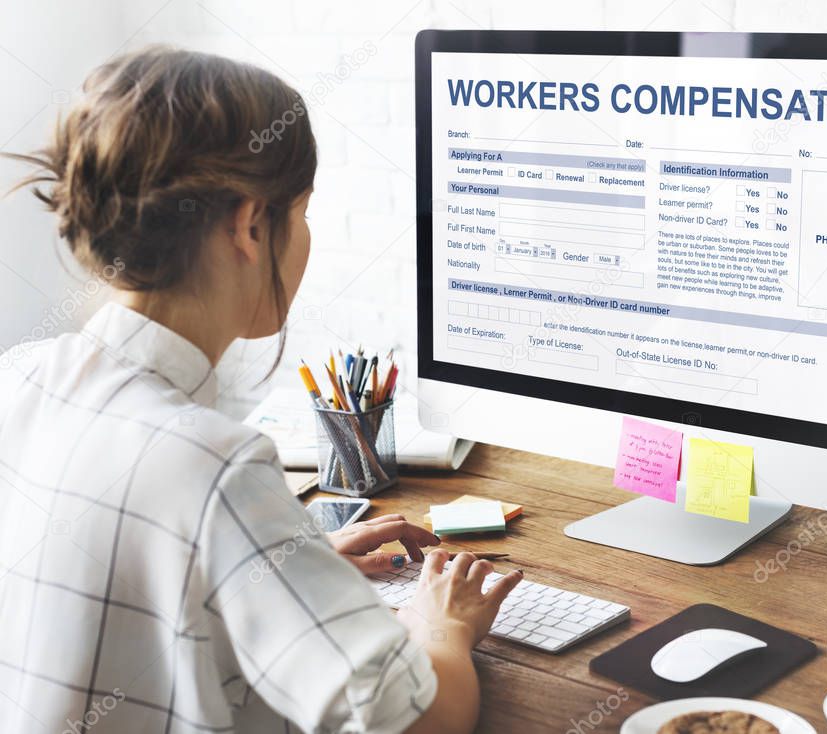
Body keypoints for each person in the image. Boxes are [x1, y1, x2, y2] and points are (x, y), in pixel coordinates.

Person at [0, 46, 520, 734]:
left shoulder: (18, 375)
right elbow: (418, 721)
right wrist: (439, 625)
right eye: (300, 213)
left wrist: (277, 568)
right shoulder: (214, 464)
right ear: (248, 225)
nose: (302, 238)